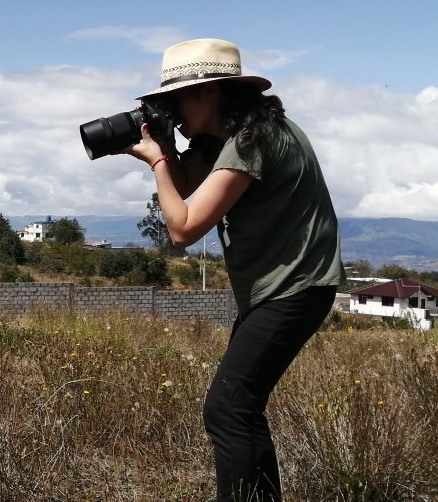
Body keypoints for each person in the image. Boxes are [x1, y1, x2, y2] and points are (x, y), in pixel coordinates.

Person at [122, 39, 343, 502]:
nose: (172, 109)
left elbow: (182, 228)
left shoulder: (252, 142)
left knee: (227, 409)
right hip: (282, 289)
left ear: (212, 92)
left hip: (294, 288)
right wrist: (167, 148)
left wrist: (159, 160)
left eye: (177, 97)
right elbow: (187, 187)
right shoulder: (235, 136)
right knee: (241, 408)